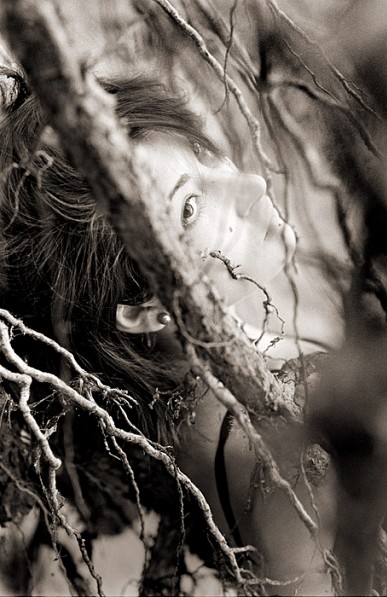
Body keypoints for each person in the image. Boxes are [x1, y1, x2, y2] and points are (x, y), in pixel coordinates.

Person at [0, 69, 343, 595]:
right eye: (189, 207)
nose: (249, 185)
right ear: (141, 310)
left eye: (201, 153)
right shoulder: (285, 441)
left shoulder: (142, 428)